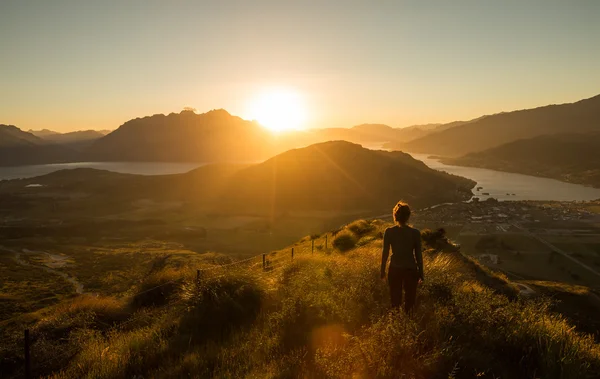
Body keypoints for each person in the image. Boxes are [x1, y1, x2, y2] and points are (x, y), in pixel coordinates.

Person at [380, 201, 423, 313]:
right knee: (410, 301)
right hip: (411, 268)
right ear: (408, 216)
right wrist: (421, 273)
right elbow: (418, 255)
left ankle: (396, 324)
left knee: (395, 300)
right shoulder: (415, 233)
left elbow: (385, 253)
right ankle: (408, 324)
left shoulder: (389, 232)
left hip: (394, 268)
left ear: (395, 216)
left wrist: (382, 271)